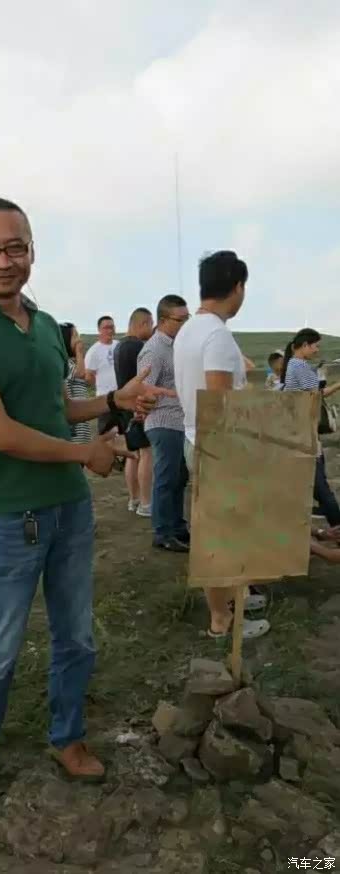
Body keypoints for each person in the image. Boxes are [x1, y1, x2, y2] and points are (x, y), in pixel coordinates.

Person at [0, 197, 172, 815]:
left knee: (77, 637)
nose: (3, 261)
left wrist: (115, 401)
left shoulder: (44, 327)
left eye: (15, 247)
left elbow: (58, 409)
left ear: (32, 251)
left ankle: (67, 736)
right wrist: (85, 455)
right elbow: (0, 433)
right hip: (10, 516)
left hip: (70, 510)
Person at [173, 251, 270, 640]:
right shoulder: (217, 336)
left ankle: (236, 595)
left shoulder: (189, 330)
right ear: (238, 287)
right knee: (220, 537)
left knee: (223, 530)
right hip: (218, 448)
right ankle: (222, 619)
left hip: (195, 439)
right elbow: (219, 404)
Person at [138, 295, 190, 551]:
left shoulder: (176, 346)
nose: (184, 324)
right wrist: (173, 393)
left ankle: (178, 527)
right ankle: (163, 532)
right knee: (167, 477)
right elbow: (142, 386)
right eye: (180, 320)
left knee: (179, 478)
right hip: (163, 420)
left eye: (187, 318)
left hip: (179, 422)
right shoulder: (154, 349)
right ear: (162, 320)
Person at [281, 328, 340, 527]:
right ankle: (336, 523)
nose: (317, 350)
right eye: (315, 346)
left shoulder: (294, 364)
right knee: (320, 486)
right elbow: (316, 396)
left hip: (301, 430)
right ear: (305, 345)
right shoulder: (299, 366)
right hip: (304, 432)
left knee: (317, 481)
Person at [114, 308, 154, 515]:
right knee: (146, 453)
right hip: (138, 407)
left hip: (124, 407)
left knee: (133, 454)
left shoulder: (119, 346)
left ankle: (134, 499)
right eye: (151, 324)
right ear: (143, 323)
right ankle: (146, 504)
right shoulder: (139, 347)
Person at [85, 316, 119, 433]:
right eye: (106, 328)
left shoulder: (119, 345)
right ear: (99, 330)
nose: (110, 330)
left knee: (124, 434)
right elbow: (89, 376)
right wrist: (102, 387)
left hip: (121, 396)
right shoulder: (94, 351)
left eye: (112, 327)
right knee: (107, 434)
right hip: (105, 400)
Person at [60, 323, 90, 443]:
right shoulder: (65, 363)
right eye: (75, 336)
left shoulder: (71, 363)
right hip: (74, 426)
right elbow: (81, 374)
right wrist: (79, 352)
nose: (79, 340)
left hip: (81, 420)